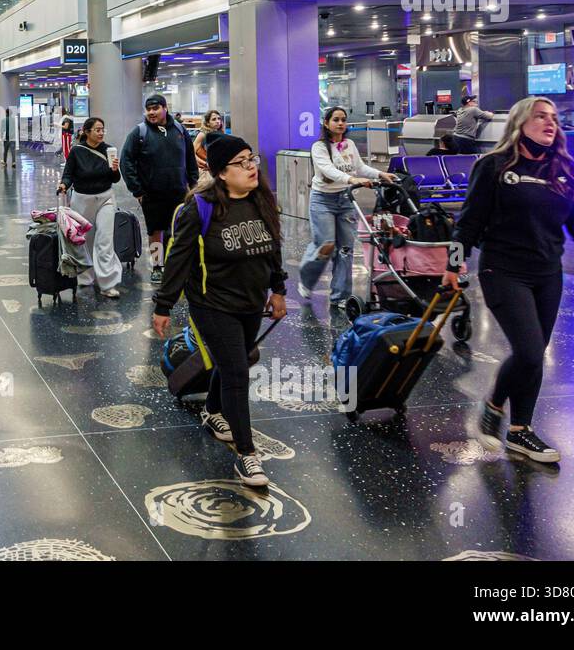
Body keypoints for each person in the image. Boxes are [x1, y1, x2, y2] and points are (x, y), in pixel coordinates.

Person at [445, 96, 574, 464]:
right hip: (503, 270)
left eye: (554, 118)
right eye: (540, 116)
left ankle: (520, 431)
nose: (550, 123)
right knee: (528, 350)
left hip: (547, 273)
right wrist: (454, 263)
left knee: (534, 358)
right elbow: (469, 221)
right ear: (519, 123)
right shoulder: (494, 166)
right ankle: (494, 406)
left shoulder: (565, 169)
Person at [152, 134, 288, 489]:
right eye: (241, 163)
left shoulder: (261, 200)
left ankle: (213, 412)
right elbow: (177, 258)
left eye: (251, 159)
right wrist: (163, 305)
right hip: (211, 304)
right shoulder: (200, 207)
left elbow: (271, 248)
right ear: (221, 173)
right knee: (237, 371)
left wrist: (279, 290)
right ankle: (247, 455)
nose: (251, 167)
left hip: (250, 301)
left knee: (236, 360)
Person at [297, 106, 396, 310]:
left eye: (343, 120)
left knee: (345, 249)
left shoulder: (349, 144)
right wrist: (351, 179)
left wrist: (379, 174)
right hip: (323, 200)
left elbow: (360, 167)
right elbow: (328, 170)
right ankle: (306, 279)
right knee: (325, 245)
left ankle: (340, 295)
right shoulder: (319, 147)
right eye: (336, 120)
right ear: (326, 123)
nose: (341, 123)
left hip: (345, 200)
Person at [119, 94, 199, 284]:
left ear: (165, 108)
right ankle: (157, 266)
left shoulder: (180, 130)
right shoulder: (140, 133)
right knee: (155, 231)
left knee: (180, 230)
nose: (152, 112)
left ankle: (179, 264)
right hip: (152, 194)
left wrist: (194, 185)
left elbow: (190, 158)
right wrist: (137, 190)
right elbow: (126, 161)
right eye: (149, 109)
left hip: (179, 191)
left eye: (156, 108)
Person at [56, 117, 122, 298]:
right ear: (87, 132)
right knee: (84, 240)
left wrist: (115, 169)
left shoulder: (109, 150)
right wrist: (63, 185)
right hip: (82, 199)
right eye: (97, 130)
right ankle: (85, 278)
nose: (101, 133)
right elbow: (68, 174)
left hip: (106, 198)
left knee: (105, 240)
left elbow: (115, 179)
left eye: (103, 129)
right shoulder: (77, 151)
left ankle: (108, 284)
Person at [193, 110, 227, 177]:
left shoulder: (220, 133)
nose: (217, 121)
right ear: (208, 123)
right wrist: (204, 163)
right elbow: (191, 152)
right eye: (214, 119)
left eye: (219, 118)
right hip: (206, 170)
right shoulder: (202, 134)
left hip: (217, 167)